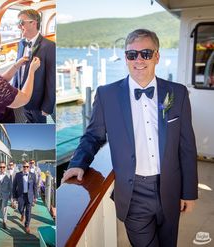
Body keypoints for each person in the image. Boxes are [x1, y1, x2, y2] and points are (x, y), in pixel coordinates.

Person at [62, 29, 198, 247]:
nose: (139, 60)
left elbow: (187, 147)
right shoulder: (107, 95)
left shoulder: (178, 93)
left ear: (157, 56)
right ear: (125, 58)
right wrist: (78, 163)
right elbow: (93, 136)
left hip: (171, 189)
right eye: (131, 55)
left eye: (145, 53)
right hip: (133, 193)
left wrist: (189, 192)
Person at [0, 24, 40, 123]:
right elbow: (24, 98)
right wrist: (31, 71)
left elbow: (0, 81)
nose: (0, 50)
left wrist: (16, 65)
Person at [13, 9, 55, 123]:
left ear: (34, 23)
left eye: (21, 23)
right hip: (21, 99)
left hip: (38, 102)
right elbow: (18, 72)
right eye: (18, 23)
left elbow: (51, 79)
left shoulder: (50, 46)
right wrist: (13, 93)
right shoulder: (21, 44)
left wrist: (48, 106)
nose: (18, 26)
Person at [13, 161, 37, 234]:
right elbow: (14, 186)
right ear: (22, 167)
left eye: (27, 167)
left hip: (29, 196)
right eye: (24, 166)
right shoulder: (18, 175)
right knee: (20, 208)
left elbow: (35, 186)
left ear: (29, 167)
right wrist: (14, 196)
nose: (25, 168)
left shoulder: (33, 175)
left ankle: (27, 225)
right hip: (21, 195)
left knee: (28, 211)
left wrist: (35, 196)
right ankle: (22, 214)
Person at [0, 162, 12, 229]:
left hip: (5, 194)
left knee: (4, 208)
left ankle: (4, 221)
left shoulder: (9, 175)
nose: (2, 168)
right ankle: (3, 216)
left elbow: (10, 186)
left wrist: (11, 195)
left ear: (5, 167)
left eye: (3, 167)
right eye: (1, 167)